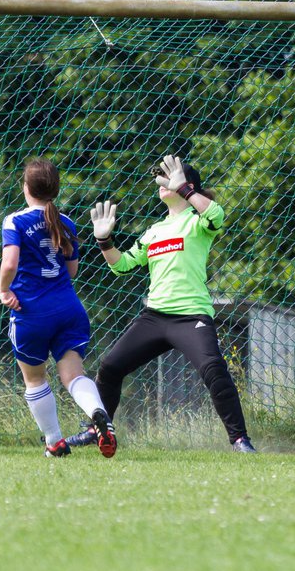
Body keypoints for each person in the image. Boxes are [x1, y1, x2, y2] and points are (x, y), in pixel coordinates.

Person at [68, 155, 255, 453]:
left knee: (213, 368)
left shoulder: (197, 222)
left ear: (185, 184)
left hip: (190, 316)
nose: (160, 183)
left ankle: (240, 440)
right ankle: (98, 431)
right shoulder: (154, 231)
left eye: (167, 178)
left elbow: (217, 215)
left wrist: (186, 192)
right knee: (110, 366)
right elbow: (122, 265)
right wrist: (104, 241)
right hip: (154, 317)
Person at [0, 159, 116, 457]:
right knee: (73, 376)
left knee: (35, 378)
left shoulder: (15, 221)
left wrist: (4, 290)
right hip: (68, 309)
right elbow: (72, 270)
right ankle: (98, 413)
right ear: (55, 189)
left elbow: (10, 262)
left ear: (26, 188)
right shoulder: (66, 222)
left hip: (31, 313)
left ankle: (54, 441)